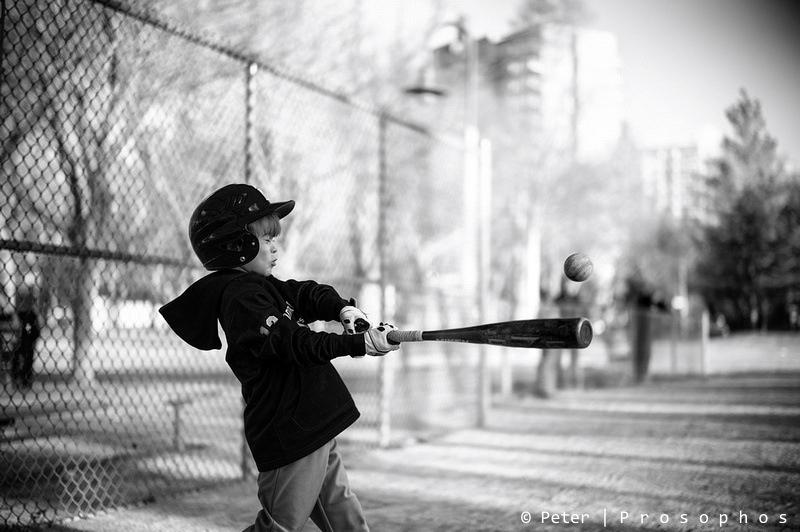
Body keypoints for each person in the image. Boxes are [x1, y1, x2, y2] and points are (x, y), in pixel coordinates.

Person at [159, 183, 399, 532]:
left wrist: (342, 309)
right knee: (281, 526)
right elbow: (296, 343)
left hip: (310, 422)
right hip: (290, 430)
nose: (275, 246)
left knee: (344, 515)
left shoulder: (264, 286)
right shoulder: (241, 298)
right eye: (267, 239)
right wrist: (358, 345)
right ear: (236, 246)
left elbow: (305, 292)